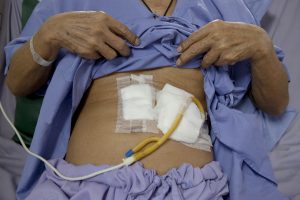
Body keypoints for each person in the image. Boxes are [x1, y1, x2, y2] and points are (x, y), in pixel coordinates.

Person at [4, 0, 294, 199]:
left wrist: (261, 47)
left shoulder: (226, 7)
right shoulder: (71, 2)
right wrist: (49, 35)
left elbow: (276, 103)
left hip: (192, 190)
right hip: (86, 187)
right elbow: (17, 83)